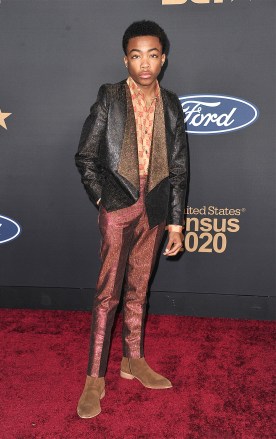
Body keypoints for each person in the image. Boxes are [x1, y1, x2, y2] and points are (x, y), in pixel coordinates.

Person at [74, 20, 189, 419]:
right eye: (136, 55)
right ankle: (94, 377)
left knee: (140, 289)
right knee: (108, 294)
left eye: (153, 55)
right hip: (118, 205)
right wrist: (103, 198)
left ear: (163, 59)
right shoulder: (109, 96)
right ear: (126, 58)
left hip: (155, 206)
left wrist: (176, 222)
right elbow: (86, 156)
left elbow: (178, 167)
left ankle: (132, 360)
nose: (145, 63)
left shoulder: (171, 103)